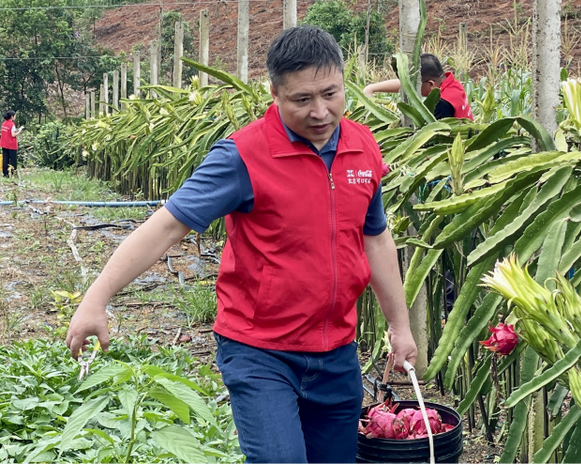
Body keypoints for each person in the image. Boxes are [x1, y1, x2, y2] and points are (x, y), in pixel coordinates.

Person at [66, 25, 417, 464]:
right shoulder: (242, 156)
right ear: (274, 92)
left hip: (337, 352)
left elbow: (377, 237)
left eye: (331, 94)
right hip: (261, 350)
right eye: (302, 100)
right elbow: (167, 226)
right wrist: (96, 298)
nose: (321, 112)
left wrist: (400, 328)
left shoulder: (363, 148)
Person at [363, 53, 474, 120]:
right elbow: (407, 84)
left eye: (416, 85)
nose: (412, 89)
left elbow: (431, 137)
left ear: (431, 84)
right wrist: (372, 88)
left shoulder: (442, 104)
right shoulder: (453, 84)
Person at [1, 111, 23, 177]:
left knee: (5, 159)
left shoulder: (4, 124)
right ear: (12, 117)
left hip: (4, 144)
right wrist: (20, 131)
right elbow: (13, 134)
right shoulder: (12, 124)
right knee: (13, 160)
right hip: (11, 145)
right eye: (15, 116)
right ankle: (14, 174)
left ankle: (5, 174)